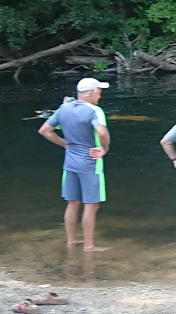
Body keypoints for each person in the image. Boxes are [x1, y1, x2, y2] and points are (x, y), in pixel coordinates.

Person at [39, 77, 112, 252]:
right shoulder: (94, 111)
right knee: (91, 204)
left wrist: (65, 144)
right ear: (91, 92)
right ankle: (89, 245)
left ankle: (71, 242)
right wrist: (104, 149)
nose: (100, 95)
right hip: (90, 163)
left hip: (70, 162)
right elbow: (102, 132)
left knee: (73, 203)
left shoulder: (63, 109)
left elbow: (44, 130)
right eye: (99, 92)